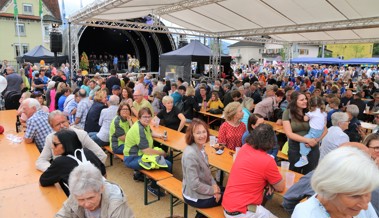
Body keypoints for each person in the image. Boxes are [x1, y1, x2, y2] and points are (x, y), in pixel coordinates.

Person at [292, 146, 379, 218]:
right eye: (355, 196)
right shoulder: (306, 214)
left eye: (368, 193)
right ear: (329, 189)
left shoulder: (360, 201)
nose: (365, 206)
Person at [222, 124, 284, 218]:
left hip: (228, 206)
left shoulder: (245, 148)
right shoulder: (268, 161)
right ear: (271, 141)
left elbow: (254, 172)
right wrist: (270, 181)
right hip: (242, 212)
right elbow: (280, 187)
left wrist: (267, 181)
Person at [40, 129, 106, 196]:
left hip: (82, 202)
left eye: (55, 144)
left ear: (66, 144)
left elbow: (43, 181)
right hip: (101, 195)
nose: (52, 146)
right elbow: (103, 172)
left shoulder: (60, 162)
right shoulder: (87, 152)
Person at [55, 162, 135, 217]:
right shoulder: (77, 192)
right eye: (81, 199)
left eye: (90, 198)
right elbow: (63, 213)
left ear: (101, 188)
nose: (86, 204)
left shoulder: (116, 206)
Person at [36, 110, 107, 172]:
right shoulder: (50, 139)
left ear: (68, 121)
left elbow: (101, 155)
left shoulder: (81, 134)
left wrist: (90, 173)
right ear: (52, 127)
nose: (62, 126)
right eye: (58, 124)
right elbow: (41, 161)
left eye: (63, 122)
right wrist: (55, 171)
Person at [123, 107, 171, 196]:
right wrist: (162, 153)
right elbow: (147, 151)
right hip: (132, 158)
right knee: (167, 163)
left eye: (149, 117)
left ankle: (140, 175)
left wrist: (160, 136)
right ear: (139, 117)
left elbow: (150, 133)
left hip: (139, 155)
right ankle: (153, 186)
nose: (147, 119)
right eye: (145, 117)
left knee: (167, 158)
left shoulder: (143, 125)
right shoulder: (139, 129)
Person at [182, 119, 222, 218]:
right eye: (198, 133)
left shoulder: (200, 147)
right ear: (192, 135)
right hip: (193, 196)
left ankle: (200, 215)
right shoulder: (191, 154)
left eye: (204, 132)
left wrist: (214, 186)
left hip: (201, 188)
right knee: (229, 197)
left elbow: (208, 172)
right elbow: (194, 185)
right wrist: (214, 191)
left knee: (225, 190)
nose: (202, 135)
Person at [282, 91, 325, 174]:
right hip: (295, 146)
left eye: (305, 99)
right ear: (294, 101)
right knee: (294, 172)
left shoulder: (311, 111)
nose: (305, 101)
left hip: (312, 146)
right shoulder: (288, 112)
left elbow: (325, 130)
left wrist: (315, 141)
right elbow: (289, 133)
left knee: (309, 174)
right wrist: (307, 140)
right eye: (301, 100)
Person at [295, 96, 327, 168]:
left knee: (303, 140)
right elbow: (324, 125)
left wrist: (305, 115)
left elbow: (305, 119)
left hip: (314, 131)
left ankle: (304, 157)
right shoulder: (324, 113)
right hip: (320, 131)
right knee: (308, 140)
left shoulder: (312, 113)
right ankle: (306, 153)